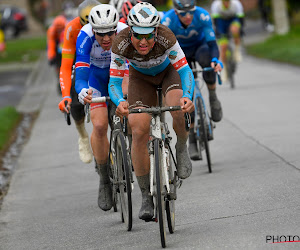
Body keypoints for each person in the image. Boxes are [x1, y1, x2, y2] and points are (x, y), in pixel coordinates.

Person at [108, 2, 194, 221]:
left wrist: (188, 96)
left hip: (168, 74)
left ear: (156, 31)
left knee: (177, 109)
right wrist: (119, 101)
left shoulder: (167, 36)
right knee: (138, 130)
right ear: (130, 31)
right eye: (138, 36)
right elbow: (114, 83)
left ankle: (182, 146)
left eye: (149, 36)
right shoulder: (120, 42)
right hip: (140, 80)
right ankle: (146, 195)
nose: (144, 42)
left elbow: (185, 70)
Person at [75, 4, 128, 211]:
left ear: (117, 28)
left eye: (110, 33)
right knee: (99, 126)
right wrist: (81, 90)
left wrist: (126, 94)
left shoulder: (125, 32)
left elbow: (131, 69)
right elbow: (80, 74)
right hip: (96, 78)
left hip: (120, 74)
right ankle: (105, 180)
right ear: (93, 30)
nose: (106, 39)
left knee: (129, 111)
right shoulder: (85, 36)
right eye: (101, 34)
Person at [161, 0, 223, 160]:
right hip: (180, 52)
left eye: (190, 12)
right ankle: (193, 139)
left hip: (200, 47)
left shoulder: (202, 15)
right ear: (176, 12)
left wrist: (215, 59)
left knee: (207, 62)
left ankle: (213, 96)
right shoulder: (167, 21)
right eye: (183, 14)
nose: (188, 16)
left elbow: (212, 43)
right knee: (186, 94)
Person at [58, 0, 100, 164]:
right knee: (75, 102)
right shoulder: (71, 28)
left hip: (103, 60)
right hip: (82, 61)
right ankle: (82, 135)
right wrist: (65, 95)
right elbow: (66, 66)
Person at [211, 0, 244, 81]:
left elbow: (241, 19)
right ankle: (225, 69)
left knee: (235, 29)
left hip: (233, 20)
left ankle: (237, 50)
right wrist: (219, 34)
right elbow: (216, 23)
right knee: (223, 47)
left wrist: (240, 31)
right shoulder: (216, 5)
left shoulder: (236, 4)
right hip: (221, 23)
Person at [47, 15, 67, 79]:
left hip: (65, 45)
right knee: (56, 62)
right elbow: (51, 45)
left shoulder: (68, 29)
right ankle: (59, 77)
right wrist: (51, 57)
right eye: (58, 29)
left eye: (61, 28)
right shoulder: (51, 31)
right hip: (56, 45)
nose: (59, 30)